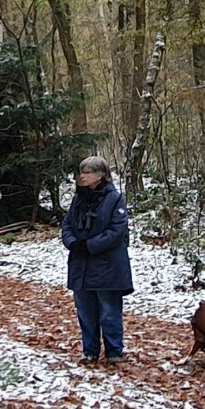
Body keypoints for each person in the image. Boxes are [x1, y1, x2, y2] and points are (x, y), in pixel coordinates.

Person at [61, 156, 133, 364]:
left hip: (107, 266)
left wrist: (90, 246)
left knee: (109, 312)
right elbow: (67, 225)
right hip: (81, 265)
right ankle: (90, 350)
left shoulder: (115, 199)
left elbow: (116, 231)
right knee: (86, 312)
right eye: (81, 172)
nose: (82, 176)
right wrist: (73, 243)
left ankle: (114, 352)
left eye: (87, 172)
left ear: (100, 176)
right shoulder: (78, 199)